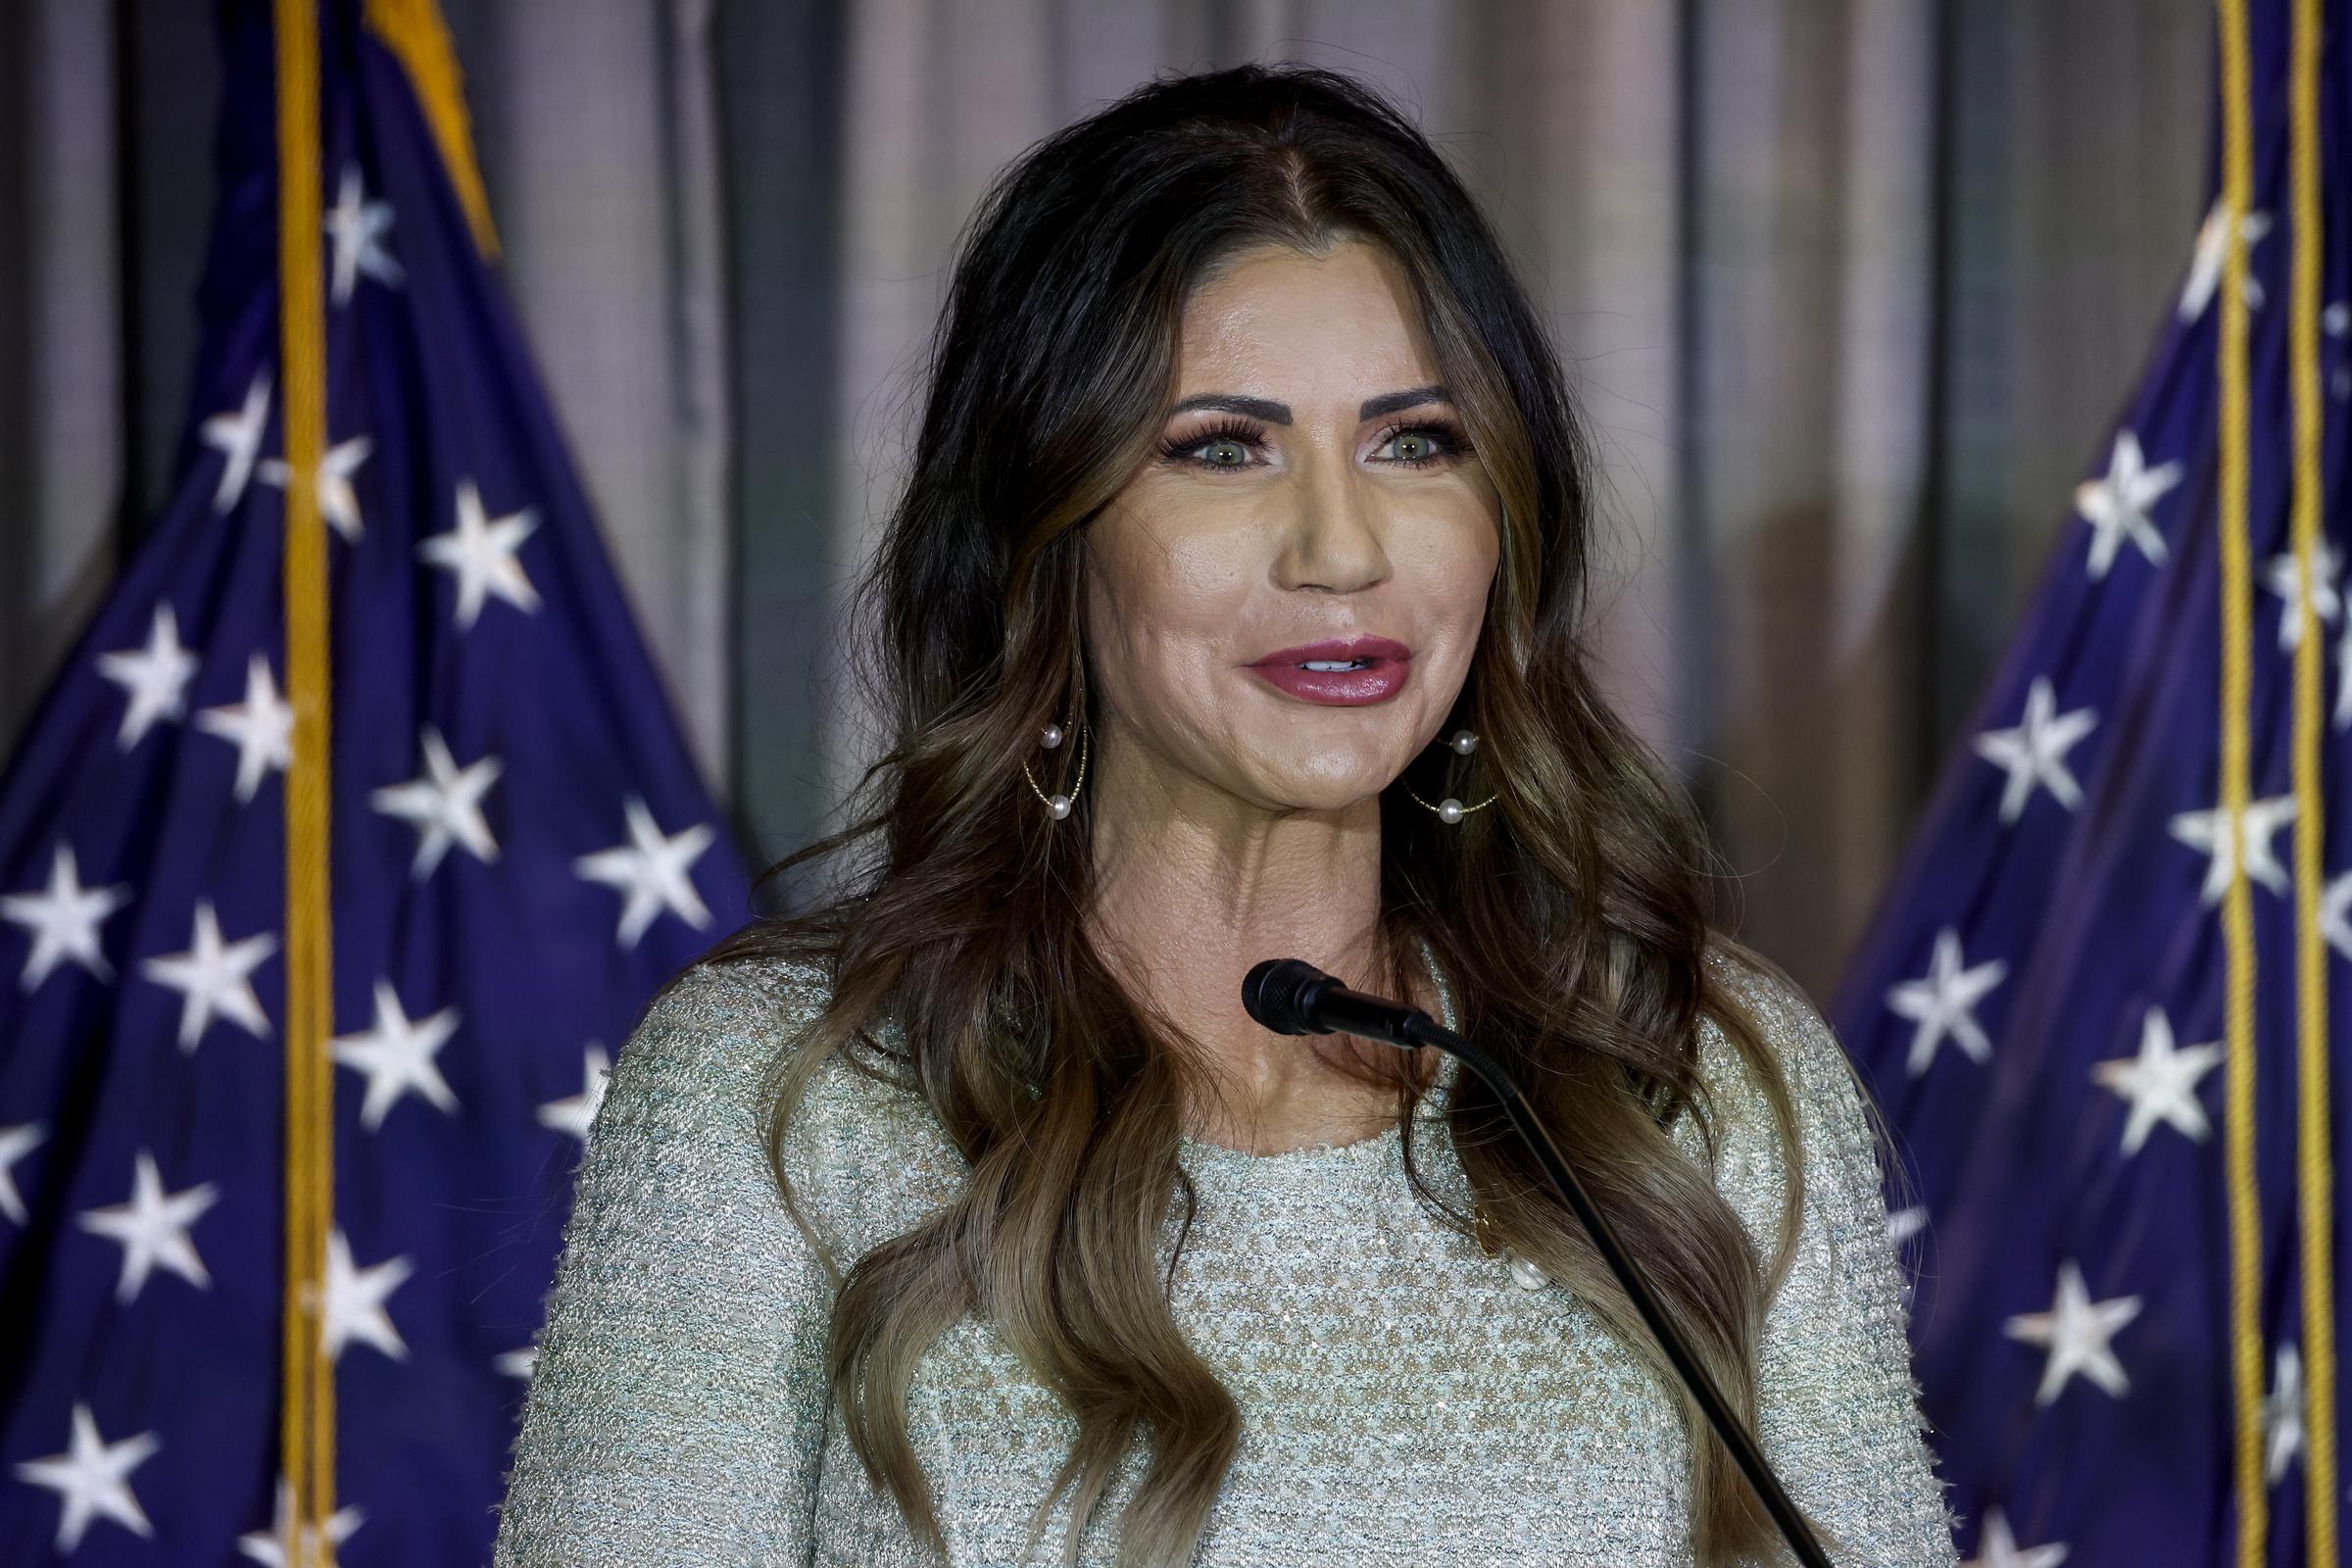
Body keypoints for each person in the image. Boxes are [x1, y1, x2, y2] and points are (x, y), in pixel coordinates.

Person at [490, 62, 1958, 1568]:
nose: (1342, 548)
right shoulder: (785, 1100)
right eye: (1220, 448)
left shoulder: (1696, 1086)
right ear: (1043, 535)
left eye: (1417, 442)